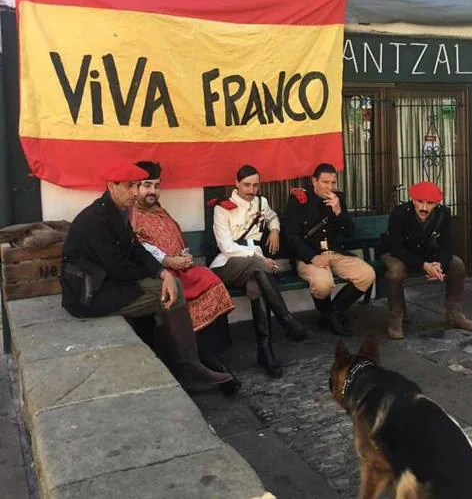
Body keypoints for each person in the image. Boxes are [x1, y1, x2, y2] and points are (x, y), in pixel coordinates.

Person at [60, 161, 233, 394]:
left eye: (136, 186)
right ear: (112, 186)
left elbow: (136, 250)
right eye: (130, 186)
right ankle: (189, 368)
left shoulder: (116, 211)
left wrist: (162, 273)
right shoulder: (96, 219)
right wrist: (164, 278)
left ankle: (187, 365)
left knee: (172, 290)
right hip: (90, 294)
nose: (135, 192)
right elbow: (119, 267)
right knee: (170, 295)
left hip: (108, 284)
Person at [130, 161, 240, 392]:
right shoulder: (131, 215)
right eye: (146, 185)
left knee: (211, 280)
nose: (152, 191)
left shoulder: (160, 211)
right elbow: (139, 248)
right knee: (179, 295)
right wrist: (168, 261)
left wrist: (184, 256)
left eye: (156, 186)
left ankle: (215, 357)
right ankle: (205, 365)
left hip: (180, 268)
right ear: (135, 187)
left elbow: (175, 239)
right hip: (158, 275)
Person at [210, 165, 308, 378]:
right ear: (236, 183)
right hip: (227, 265)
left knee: (257, 284)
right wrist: (260, 257)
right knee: (259, 267)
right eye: (246, 184)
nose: (251, 189)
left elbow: (272, 217)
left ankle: (266, 351)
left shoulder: (261, 203)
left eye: (255, 185)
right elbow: (226, 247)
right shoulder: (222, 208)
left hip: (254, 267)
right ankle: (286, 319)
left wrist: (274, 230)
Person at [380, 180, 472, 340]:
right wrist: (424, 265)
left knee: (457, 265)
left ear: (437, 204)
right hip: (397, 254)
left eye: (430, 203)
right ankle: (395, 318)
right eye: (420, 202)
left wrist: (439, 264)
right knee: (395, 271)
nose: (424, 208)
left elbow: (446, 245)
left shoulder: (443, 214)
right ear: (413, 200)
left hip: (425, 253)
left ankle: (454, 313)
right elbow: (396, 248)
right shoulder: (400, 213)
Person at [284, 163, 376, 337]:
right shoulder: (299, 199)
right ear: (314, 181)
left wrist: (339, 211)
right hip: (309, 255)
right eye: (325, 182)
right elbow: (291, 236)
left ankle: (333, 313)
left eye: (333, 183)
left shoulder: (337, 198)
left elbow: (349, 232)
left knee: (367, 274)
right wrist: (312, 257)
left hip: (334, 252)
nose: (330, 187)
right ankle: (331, 315)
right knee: (323, 284)